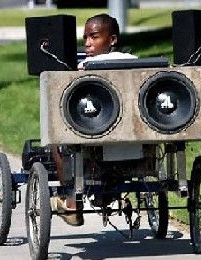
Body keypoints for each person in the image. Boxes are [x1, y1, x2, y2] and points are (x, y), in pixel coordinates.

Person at [52, 13, 137, 226]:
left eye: (94, 37)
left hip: (94, 126)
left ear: (113, 39)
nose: (88, 43)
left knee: (56, 142)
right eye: (85, 39)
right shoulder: (136, 63)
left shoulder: (85, 66)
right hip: (132, 130)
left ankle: (71, 202)